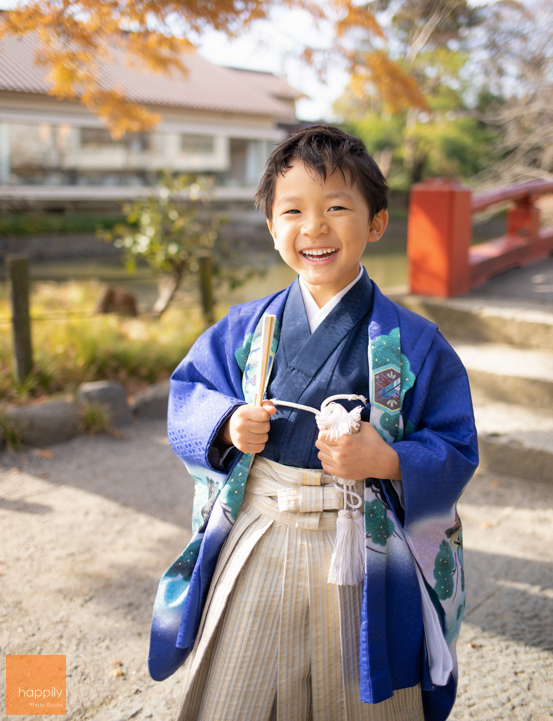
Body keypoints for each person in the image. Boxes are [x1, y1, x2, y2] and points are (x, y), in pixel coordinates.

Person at [148, 124, 478, 721]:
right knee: (237, 696)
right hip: (262, 527)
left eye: (337, 208)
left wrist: (387, 461)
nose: (315, 228)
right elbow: (190, 391)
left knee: (357, 694)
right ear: (273, 227)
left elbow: (455, 443)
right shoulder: (246, 328)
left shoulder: (416, 343)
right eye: (293, 210)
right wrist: (227, 425)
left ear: (376, 223)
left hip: (363, 541)